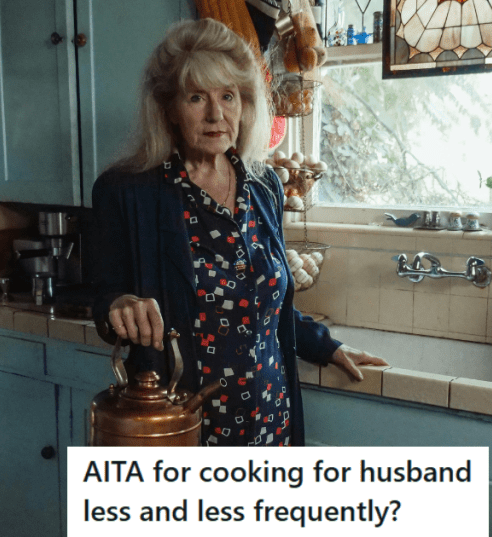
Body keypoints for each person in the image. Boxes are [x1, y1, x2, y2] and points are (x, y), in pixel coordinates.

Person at [90, 18, 386, 447]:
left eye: (228, 96)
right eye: (196, 98)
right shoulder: (127, 192)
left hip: (270, 420)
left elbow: (265, 301)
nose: (216, 114)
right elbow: (101, 298)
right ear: (169, 107)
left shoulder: (264, 186)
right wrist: (120, 304)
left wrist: (324, 345)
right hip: (183, 426)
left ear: (245, 104)